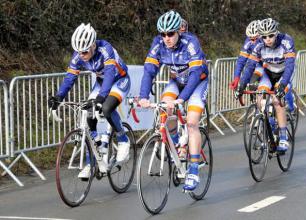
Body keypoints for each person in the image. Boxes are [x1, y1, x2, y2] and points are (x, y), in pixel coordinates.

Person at [48, 23, 131, 178]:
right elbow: (70, 78)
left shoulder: (106, 49)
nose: (82, 55)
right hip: (101, 83)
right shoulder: (78, 55)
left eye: (85, 51)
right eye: (79, 52)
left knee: (106, 108)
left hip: (119, 80)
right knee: (88, 113)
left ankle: (123, 139)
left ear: (93, 45)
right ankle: (92, 158)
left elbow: (110, 74)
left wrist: (100, 99)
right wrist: (59, 97)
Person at [139, 10, 209, 191]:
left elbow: (194, 75)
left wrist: (182, 99)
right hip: (176, 81)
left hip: (197, 82)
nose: (167, 38)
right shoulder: (158, 44)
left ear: (179, 31)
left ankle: (193, 169)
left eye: (170, 34)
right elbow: (149, 70)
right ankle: (177, 142)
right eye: (163, 34)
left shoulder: (190, 42)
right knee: (164, 108)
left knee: (192, 123)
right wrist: (144, 96)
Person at [238, 18, 296, 152]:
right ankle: (269, 123)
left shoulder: (286, 41)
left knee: (277, 100)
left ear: (276, 33)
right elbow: (250, 66)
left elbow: (290, 66)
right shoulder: (258, 45)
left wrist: (282, 86)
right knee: (260, 97)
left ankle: (282, 136)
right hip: (269, 73)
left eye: (271, 35)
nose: (268, 39)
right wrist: (241, 85)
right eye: (264, 36)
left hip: (284, 73)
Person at [229, 20, 260, 90]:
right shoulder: (248, 42)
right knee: (250, 83)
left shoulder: (269, 39)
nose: (254, 41)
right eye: (252, 39)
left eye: (256, 38)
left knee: (285, 90)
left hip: (273, 67)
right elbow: (241, 61)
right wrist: (236, 78)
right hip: (257, 66)